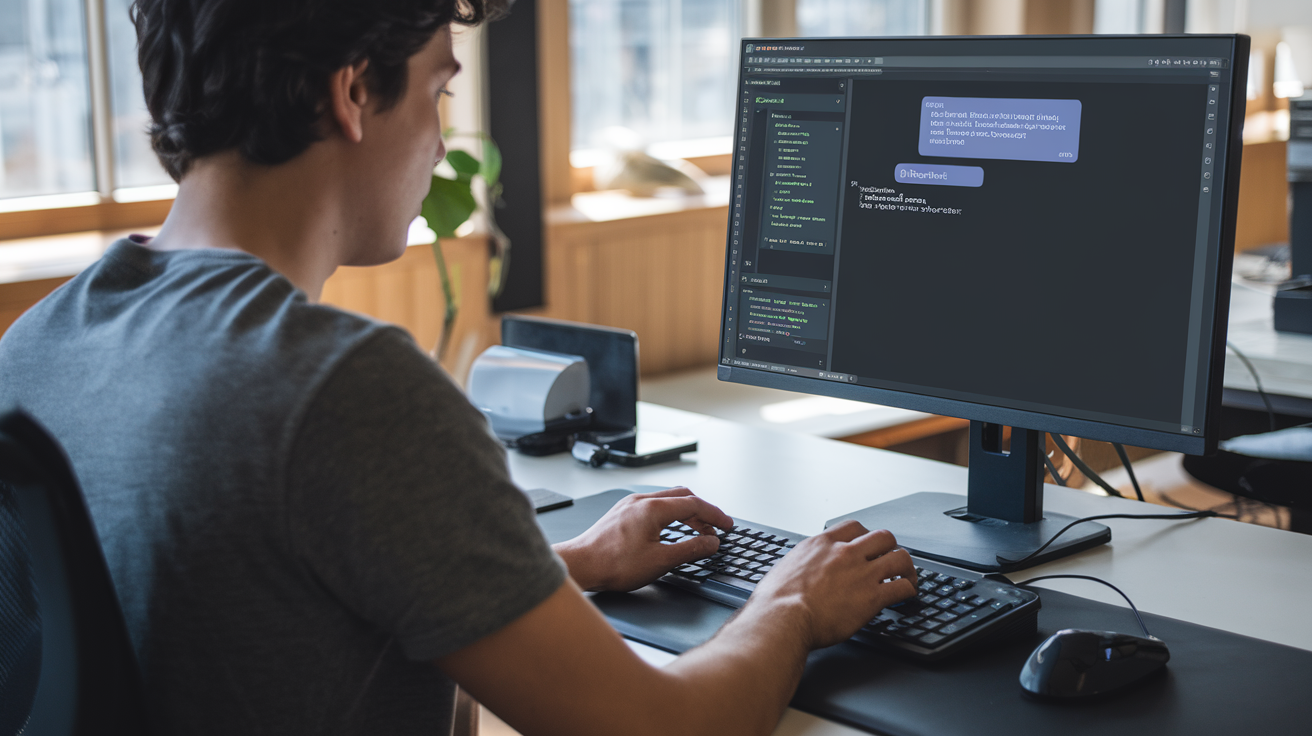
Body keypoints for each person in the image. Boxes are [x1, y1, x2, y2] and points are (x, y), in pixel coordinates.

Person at [0, 1, 917, 734]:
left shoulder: (35, 345)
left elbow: (244, 607)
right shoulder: (341, 386)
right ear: (354, 93)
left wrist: (564, 568)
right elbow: (661, 726)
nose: (442, 143)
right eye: (438, 94)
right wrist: (790, 604)